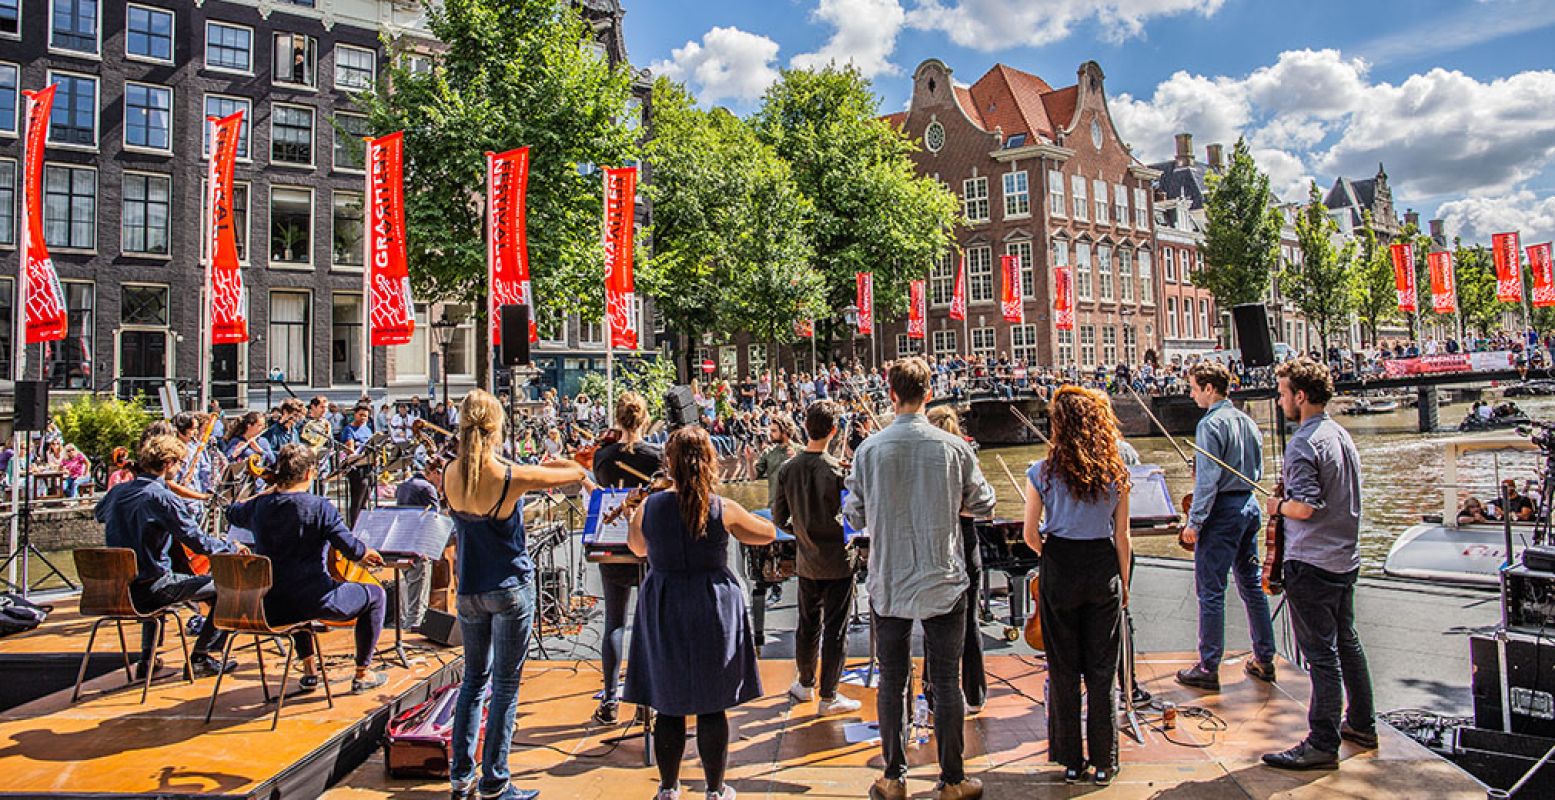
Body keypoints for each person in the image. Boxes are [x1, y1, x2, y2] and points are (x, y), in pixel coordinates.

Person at [843, 357, 995, 800]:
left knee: (891, 679)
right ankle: (953, 779)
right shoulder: (953, 447)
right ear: (929, 394)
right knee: (946, 679)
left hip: (888, 577)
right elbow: (983, 504)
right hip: (942, 576)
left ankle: (893, 777)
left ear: (890, 394)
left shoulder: (869, 450)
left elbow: (853, 513)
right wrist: (951, 506)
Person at [444, 390, 589, 800]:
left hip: (469, 589)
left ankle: (460, 775)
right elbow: (574, 473)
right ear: (497, 428)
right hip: (508, 588)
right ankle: (495, 780)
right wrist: (549, 464)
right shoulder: (509, 476)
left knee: (473, 681)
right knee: (506, 685)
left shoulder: (451, 473)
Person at [623, 426, 775, 800]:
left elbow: (637, 548)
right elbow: (767, 534)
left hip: (665, 602)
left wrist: (631, 512)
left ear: (669, 464)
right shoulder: (722, 507)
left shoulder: (650, 506)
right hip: (711, 604)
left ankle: (668, 787)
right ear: (708, 462)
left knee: (667, 703)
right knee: (712, 704)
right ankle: (714, 789)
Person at [1262, 358, 1376, 770]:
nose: (1279, 401)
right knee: (1347, 641)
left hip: (1312, 561)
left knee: (1321, 655)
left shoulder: (1304, 442)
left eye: (1282, 393)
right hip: (1346, 558)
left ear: (1301, 396)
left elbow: (1306, 507)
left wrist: (1277, 504)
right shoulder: (1339, 435)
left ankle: (1322, 741)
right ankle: (1362, 723)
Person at [1022, 386, 1132, 786]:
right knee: (1103, 670)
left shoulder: (1042, 471)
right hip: (1102, 565)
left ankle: (1071, 760)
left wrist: (1049, 554)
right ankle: (1105, 760)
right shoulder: (1116, 472)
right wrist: (1124, 581)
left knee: (1064, 668)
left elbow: (1030, 533)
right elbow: (1122, 536)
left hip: (1060, 564)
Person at [228, 444, 389, 693]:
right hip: (316, 601)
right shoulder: (319, 506)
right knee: (376, 595)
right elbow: (350, 549)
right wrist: (366, 553)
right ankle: (363, 673)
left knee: (291, 593)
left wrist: (268, 489)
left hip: (269, 606)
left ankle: (309, 670)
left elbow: (231, 512)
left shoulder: (259, 506)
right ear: (308, 473)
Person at [97, 434, 241, 679]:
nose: (181, 467)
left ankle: (147, 660)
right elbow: (197, 541)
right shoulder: (162, 497)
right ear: (168, 463)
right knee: (231, 588)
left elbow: (100, 514)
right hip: (151, 591)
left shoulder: (118, 492)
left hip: (115, 591)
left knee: (149, 577)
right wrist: (232, 547)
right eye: (180, 463)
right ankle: (201, 657)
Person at [1176, 362, 1277, 692]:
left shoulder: (1210, 424)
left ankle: (1208, 666)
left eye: (1193, 388)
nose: (1191, 394)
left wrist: (1195, 523)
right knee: (1250, 584)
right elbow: (1256, 469)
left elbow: (1207, 482)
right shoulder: (1247, 421)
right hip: (1248, 505)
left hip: (1222, 512)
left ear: (1209, 389)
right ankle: (1265, 658)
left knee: (1211, 590)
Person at [772, 400, 862, 716]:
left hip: (806, 558)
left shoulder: (787, 469)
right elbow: (854, 518)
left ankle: (805, 682)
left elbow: (778, 517)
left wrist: (801, 530)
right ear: (834, 430)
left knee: (807, 625)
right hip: (838, 561)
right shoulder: (837, 470)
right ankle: (829, 696)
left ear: (804, 426)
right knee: (836, 629)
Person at [588, 391, 662, 725]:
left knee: (614, 623)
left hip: (613, 545)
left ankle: (609, 699)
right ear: (645, 419)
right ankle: (650, 697)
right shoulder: (656, 457)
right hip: (647, 544)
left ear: (618, 420)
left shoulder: (603, 457)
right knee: (649, 622)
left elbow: (600, 490)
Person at [922, 406, 988, 717]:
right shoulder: (965, 456)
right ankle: (975, 694)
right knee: (970, 619)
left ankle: (933, 692)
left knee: (933, 618)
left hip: (937, 542)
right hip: (967, 538)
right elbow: (983, 503)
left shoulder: (927, 460)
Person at [754, 417, 798, 608]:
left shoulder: (800, 450)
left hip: (797, 507)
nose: (770, 434)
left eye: (773, 431)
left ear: (785, 431)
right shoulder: (768, 453)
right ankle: (775, 588)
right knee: (773, 550)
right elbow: (753, 475)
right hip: (775, 506)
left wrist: (795, 458)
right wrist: (749, 461)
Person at [394, 454, 441, 632]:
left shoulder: (404, 485)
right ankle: (415, 629)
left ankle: (407, 627)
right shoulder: (427, 488)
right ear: (435, 472)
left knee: (409, 587)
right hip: (420, 544)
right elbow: (434, 519)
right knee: (419, 593)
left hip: (402, 542)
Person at [339, 405, 376, 528]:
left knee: (367, 496)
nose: (363, 418)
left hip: (368, 466)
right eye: (361, 415)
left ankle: (364, 524)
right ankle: (354, 525)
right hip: (356, 468)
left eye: (365, 415)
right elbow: (350, 448)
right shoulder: (349, 429)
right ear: (355, 415)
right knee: (357, 499)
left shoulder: (367, 429)